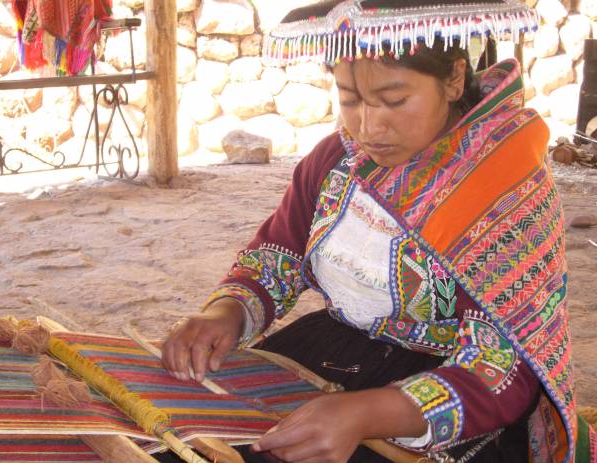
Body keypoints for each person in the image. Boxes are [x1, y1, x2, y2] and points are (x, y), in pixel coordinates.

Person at [162, 1, 596, 462]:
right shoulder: (337, 162)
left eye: (393, 100)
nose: (368, 126)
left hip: (444, 391)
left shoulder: (505, 185)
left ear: (452, 79)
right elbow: (277, 258)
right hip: (331, 352)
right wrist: (226, 313)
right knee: (184, 438)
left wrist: (367, 413)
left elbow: (502, 369)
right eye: (349, 99)